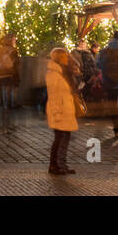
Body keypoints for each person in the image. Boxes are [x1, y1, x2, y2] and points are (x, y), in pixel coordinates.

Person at [45, 47, 80, 175]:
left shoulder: (65, 72)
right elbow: (54, 95)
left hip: (67, 109)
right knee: (59, 139)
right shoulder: (53, 74)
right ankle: (54, 165)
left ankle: (62, 164)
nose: (67, 58)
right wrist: (57, 112)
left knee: (65, 138)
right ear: (59, 58)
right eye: (65, 56)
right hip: (59, 111)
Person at [0, 34, 21, 121]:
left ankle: (5, 105)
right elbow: (17, 62)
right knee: (13, 89)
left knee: (5, 89)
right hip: (12, 72)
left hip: (3, 72)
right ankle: (13, 104)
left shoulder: (0, 49)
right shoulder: (13, 50)